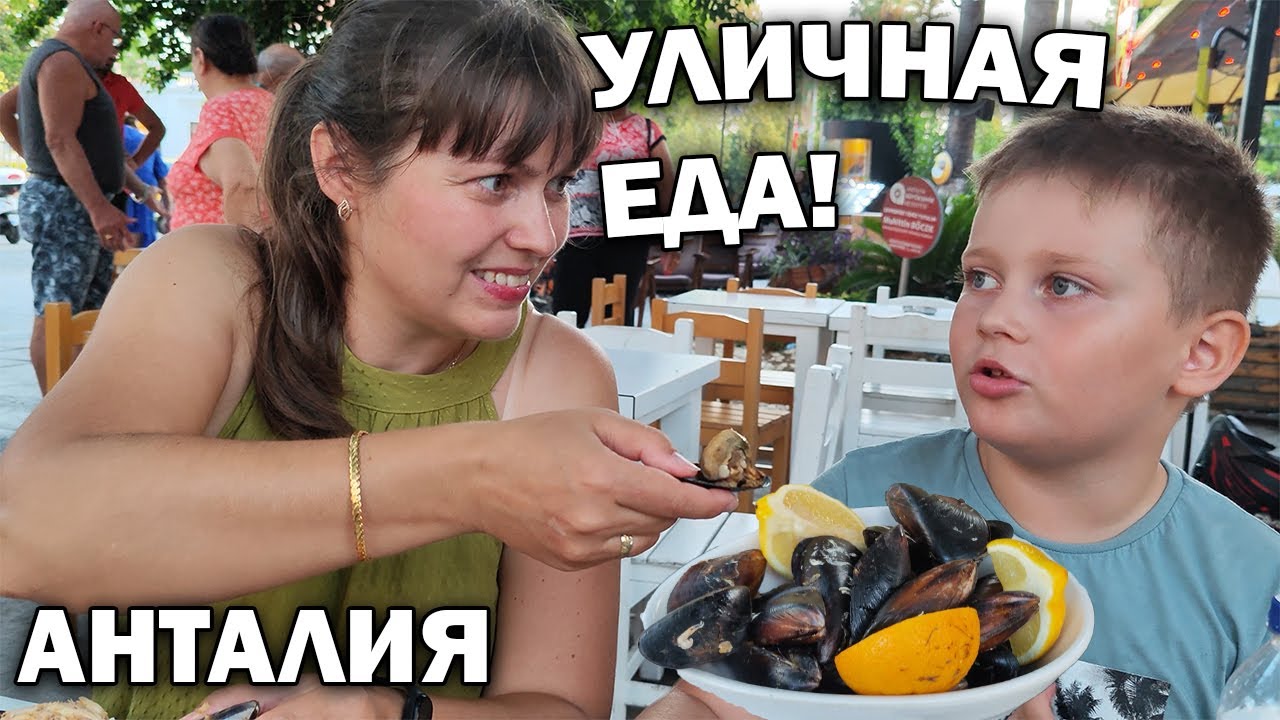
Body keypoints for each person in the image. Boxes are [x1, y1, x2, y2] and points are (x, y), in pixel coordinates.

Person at [0, 0, 739, 718]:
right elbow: (25, 529)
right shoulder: (217, 284)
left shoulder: (557, 374)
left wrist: (385, 711)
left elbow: (561, 704)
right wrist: (472, 476)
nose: (544, 236)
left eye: (558, 184)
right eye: (495, 181)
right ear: (340, 166)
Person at [640, 106, 1280, 720]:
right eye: (980, 279)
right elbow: (710, 701)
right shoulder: (854, 502)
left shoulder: (1255, 584)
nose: (996, 316)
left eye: (1063, 286)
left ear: (1200, 352)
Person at [0, 0, 132, 394]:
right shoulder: (61, 62)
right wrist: (97, 207)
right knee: (56, 314)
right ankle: (54, 413)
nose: (114, 50)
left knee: (83, 313)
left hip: (71, 201)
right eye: (115, 38)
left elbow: (5, 110)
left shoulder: (60, 61)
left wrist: (36, 158)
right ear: (97, 27)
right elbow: (59, 139)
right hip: (66, 206)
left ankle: (76, 402)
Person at [551, 107, 675, 327]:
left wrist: (672, 240)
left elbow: (667, 185)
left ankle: (616, 351)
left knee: (618, 315)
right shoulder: (573, 124)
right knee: (566, 314)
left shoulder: (647, 130)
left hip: (626, 240)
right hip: (575, 238)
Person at [168, 14, 273, 231]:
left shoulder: (221, 109)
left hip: (219, 250)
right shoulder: (272, 103)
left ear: (200, 58)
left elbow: (242, 185)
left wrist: (246, 248)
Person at [122, 116, 169, 247]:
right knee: (140, 253)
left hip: (115, 202)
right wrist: (166, 213)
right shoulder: (146, 140)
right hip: (145, 205)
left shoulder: (109, 136)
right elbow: (163, 181)